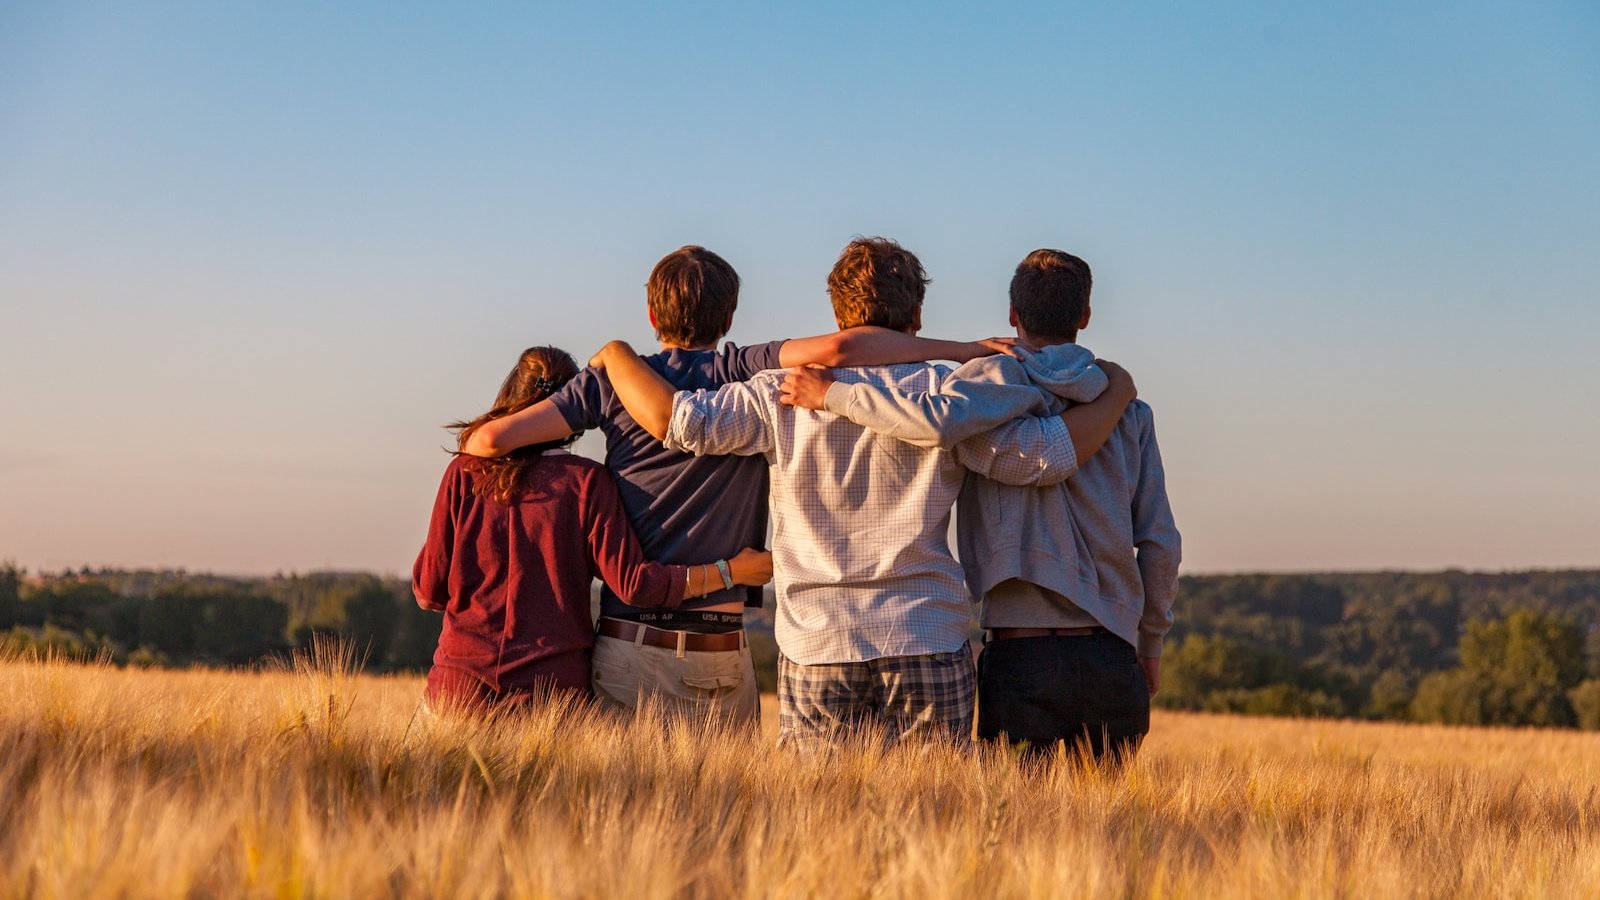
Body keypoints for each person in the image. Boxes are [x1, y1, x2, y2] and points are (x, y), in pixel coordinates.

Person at [590, 237, 1137, 750]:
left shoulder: (778, 392)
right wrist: (1115, 394)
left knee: (821, 812)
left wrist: (617, 355)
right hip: (925, 632)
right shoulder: (948, 395)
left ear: (837, 316)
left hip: (817, 641)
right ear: (917, 316)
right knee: (935, 808)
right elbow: (1041, 458)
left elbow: (682, 423)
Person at [459, 245, 1019, 725]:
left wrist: (610, 360)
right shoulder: (744, 369)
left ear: (651, 314)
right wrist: (961, 350)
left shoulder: (611, 383)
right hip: (724, 645)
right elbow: (841, 350)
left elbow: (487, 442)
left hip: (632, 641)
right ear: (729, 317)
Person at [780, 248, 1180, 763]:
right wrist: (1150, 643)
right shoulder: (1129, 411)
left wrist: (834, 394)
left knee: (1015, 811)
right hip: (1112, 651)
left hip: (1019, 652)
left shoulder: (979, 395)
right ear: (1084, 316)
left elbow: (937, 423)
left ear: (1013, 315)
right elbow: (1160, 542)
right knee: (1109, 814)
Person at [412, 345, 773, 715]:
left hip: (458, 689)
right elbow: (635, 585)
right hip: (552, 697)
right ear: (573, 409)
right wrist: (731, 571)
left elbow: (428, 591)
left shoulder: (463, 473)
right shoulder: (586, 483)